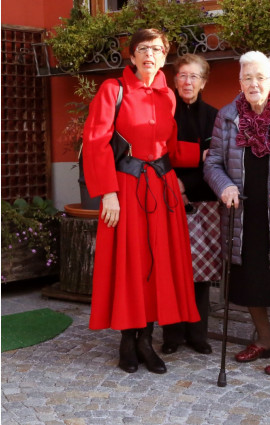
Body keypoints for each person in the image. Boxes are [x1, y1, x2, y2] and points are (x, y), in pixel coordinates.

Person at [82, 28, 202, 374]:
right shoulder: (112, 90)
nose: (151, 54)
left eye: (158, 49)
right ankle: (126, 341)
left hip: (163, 192)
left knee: (157, 265)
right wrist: (108, 193)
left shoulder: (169, 96)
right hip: (126, 190)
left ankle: (146, 341)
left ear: (165, 57)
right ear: (132, 55)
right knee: (130, 263)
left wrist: (210, 153)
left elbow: (171, 147)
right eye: (144, 49)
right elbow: (96, 142)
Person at [203, 51, 270, 375]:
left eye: (260, 77)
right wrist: (223, 186)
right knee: (249, 278)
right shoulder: (227, 117)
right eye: (247, 78)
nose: (254, 84)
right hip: (243, 213)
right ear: (240, 82)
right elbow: (213, 163)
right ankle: (265, 339)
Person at [161, 53, 219, 355]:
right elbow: (157, 157)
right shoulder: (162, 112)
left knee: (200, 272)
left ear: (203, 81)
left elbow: (215, 164)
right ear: (174, 79)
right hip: (166, 200)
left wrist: (186, 183)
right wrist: (176, 184)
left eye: (194, 76)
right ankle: (172, 336)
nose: (188, 82)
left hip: (202, 202)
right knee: (170, 271)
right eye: (183, 75)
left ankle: (198, 334)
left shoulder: (214, 117)